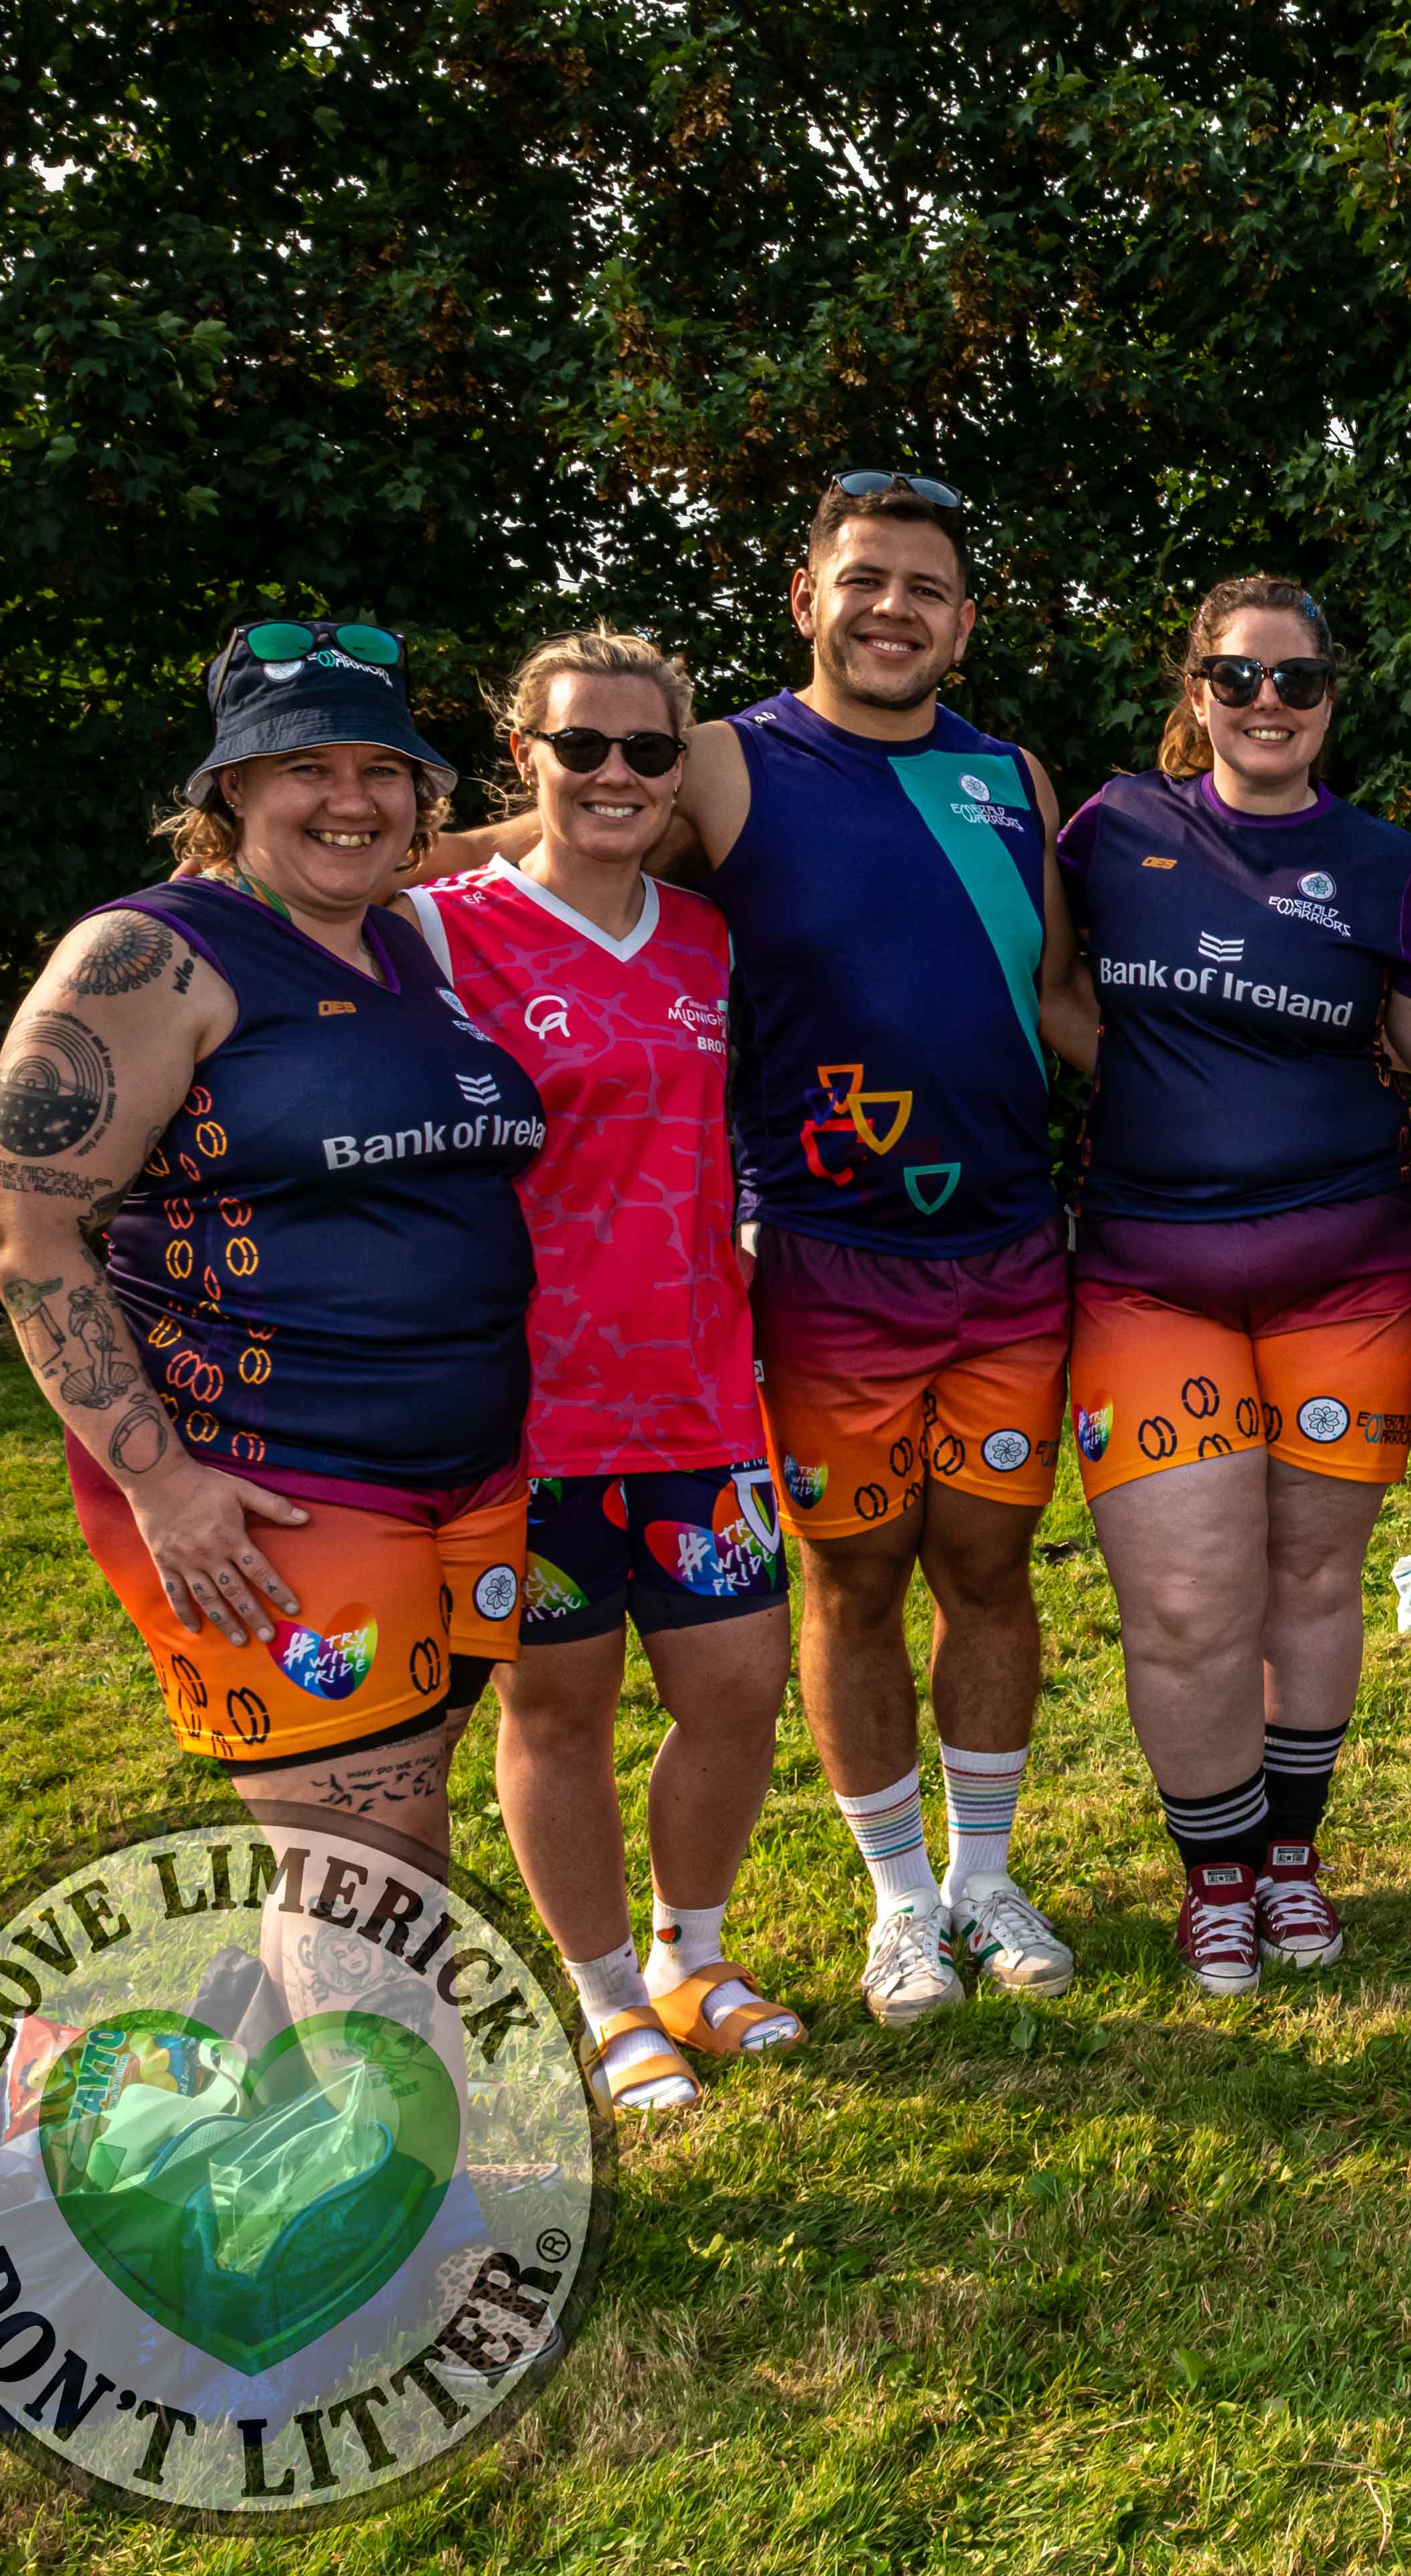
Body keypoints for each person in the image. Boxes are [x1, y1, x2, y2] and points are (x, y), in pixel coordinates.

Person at [425, 472, 1085, 2031]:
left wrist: (1247, 1086)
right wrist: (320, 865)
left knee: (989, 1567)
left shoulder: (1009, 775)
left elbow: (1056, 996)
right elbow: (559, 825)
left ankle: (986, 1878)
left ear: (965, 621)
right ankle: (900, 1902)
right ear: (806, 600)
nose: (893, 609)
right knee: (856, 1577)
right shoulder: (718, 757)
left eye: (925, 586)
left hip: (1008, 1249)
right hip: (829, 1258)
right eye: (863, 579)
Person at [0, 623, 539, 1870]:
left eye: (383, 769)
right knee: (374, 1870)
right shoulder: (148, 957)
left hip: (465, 1472)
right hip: (276, 1479)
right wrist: (160, 1483)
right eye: (307, 768)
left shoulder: (403, 941)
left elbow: (551, 828)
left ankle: (228, 2007)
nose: (352, 799)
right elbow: (29, 1240)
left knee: (385, 1827)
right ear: (232, 787)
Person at [1049, 577, 1411, 1995]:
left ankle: (1289, 1858)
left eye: (1295, 679)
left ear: (1332, 697)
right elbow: (1052, 992)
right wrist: (1173, 1084)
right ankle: (1214, 1877)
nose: (1266, 702)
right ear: (1197, 691)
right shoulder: (1111, 828)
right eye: (1237, 677)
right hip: (1148, 1272)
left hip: (1348, 1273)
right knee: (1184, 1598)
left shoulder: (1386, 861)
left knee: (1311, 1577)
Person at [408, 631, 802, 2114]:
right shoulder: (438, 930)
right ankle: (607, 1997)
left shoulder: (708, 935)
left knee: (738, 1689)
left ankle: (693, 1954)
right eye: (583, 747)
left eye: (649, 749)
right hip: (529, 1409)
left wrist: (749, 1219)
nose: (617, 774)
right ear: (528, 757)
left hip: (701, 1392)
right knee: (557, 1711)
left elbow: (747, 1113)